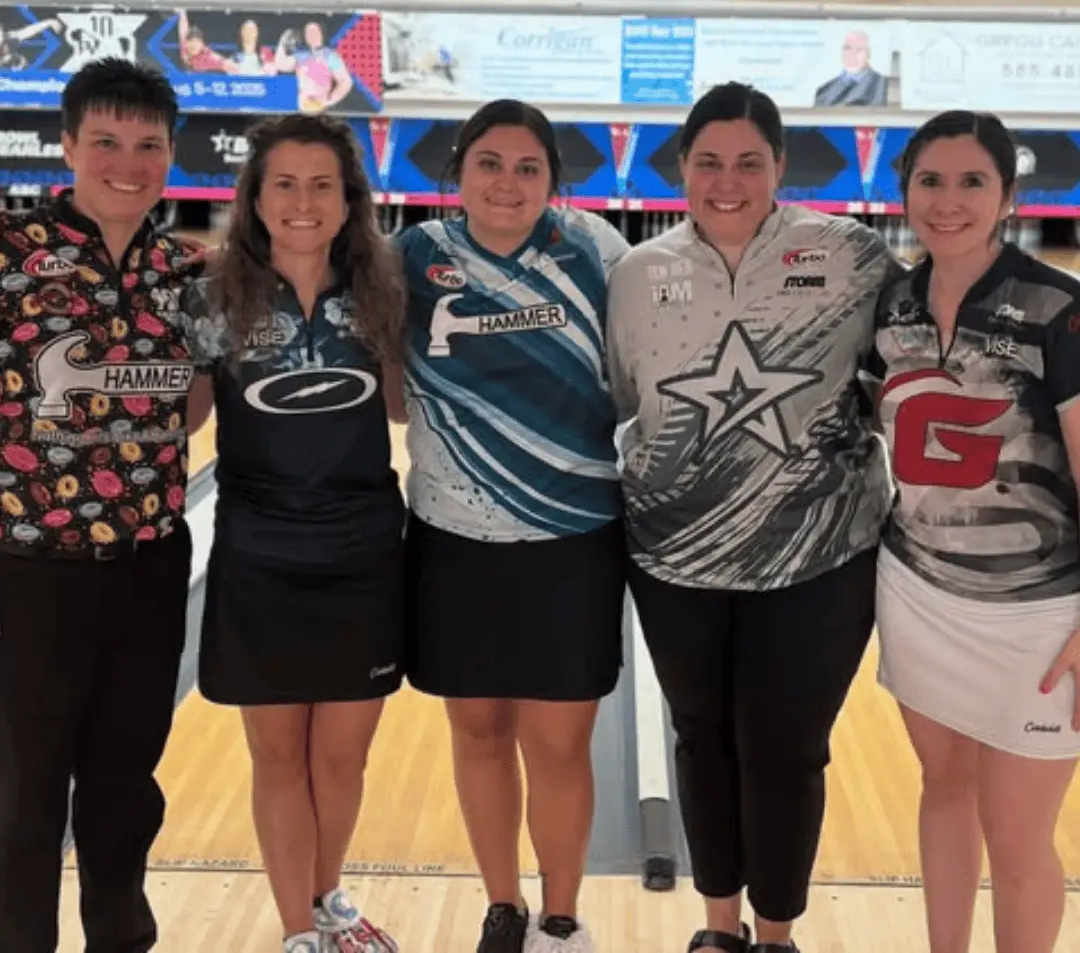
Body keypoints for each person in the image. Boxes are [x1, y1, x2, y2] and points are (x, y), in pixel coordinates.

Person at [606, 81, 897, 953]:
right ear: (680, 169)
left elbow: (906, 372)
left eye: (747, 162)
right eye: (708, 162)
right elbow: (628, 401)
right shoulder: (636, 274)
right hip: (675, 559)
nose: (726, 181)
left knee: (787, 749)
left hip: (819, 554)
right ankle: (719, 931)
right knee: (701, 740)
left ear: (780, 167)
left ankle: (775, 937)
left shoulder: (851, 255)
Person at [390, 99, 628, 953]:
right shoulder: (409, 256)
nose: (507, 182)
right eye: (489, 162)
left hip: (573, 538)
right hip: (453, 538)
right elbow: (387, 386)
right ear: (458, 171)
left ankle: (560, 919)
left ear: (553, 180)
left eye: (529, 167)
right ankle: (504, 907)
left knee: (559, 746)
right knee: (479, 731)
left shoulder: (596, 248)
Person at [179, 113, 405, 953]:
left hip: (363, 555)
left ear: (349, 201)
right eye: (284, 183)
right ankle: (297, 931)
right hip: (259, 558)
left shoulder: (384, 293)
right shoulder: (212, 297)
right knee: (277, 758)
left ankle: (323, 897)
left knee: (341, 761)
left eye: (321, 185)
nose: (302, 202)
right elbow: (186, 420)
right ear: (255, 195)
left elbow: (403, 408)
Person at [0, 57, 212, 951]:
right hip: (28, 569)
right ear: (67, 146)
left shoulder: (186, 271)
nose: (129, 163)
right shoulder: (10, 253)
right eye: (106, 141)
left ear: (171, 154)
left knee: (125, 789)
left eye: (148, 145)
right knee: (22, 795)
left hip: (148, 567)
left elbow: (194, 406)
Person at [869, 110, 1080, 953]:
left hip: (1041, 614)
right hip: (919, 592)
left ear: (1007, 195)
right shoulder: (891, 304)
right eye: (930, 181)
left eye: (971, 182)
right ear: (904, 191)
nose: (947, 201)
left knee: (1019, 833)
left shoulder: (1057, 307)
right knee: (944, 788)